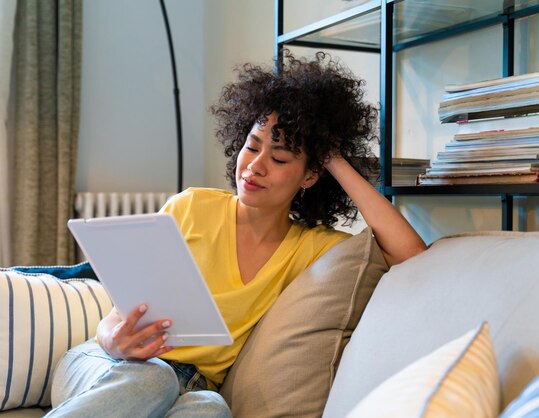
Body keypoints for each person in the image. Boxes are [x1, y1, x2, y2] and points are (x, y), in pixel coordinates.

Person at [45, 50, 427, 417]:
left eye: (279, 158)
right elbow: (118, 317)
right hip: (105, 365)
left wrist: (333, 159)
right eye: (252, 145)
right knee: (157, 380)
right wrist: (113, 341)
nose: (254, 167)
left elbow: (409, 253)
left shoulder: (311, 248)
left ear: (310, 175)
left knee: (211, 410)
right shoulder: (192, 208)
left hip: (190, 388)